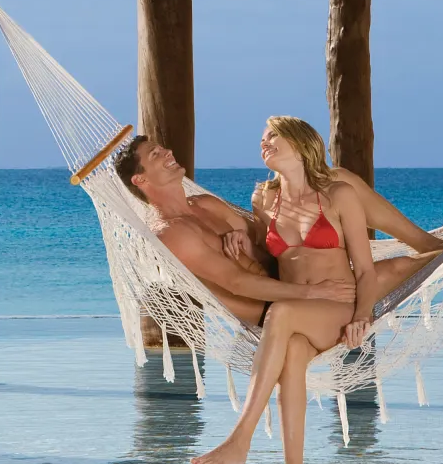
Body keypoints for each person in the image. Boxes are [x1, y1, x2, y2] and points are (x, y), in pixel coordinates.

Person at [191, 116, 441, 464]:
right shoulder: (263, 198)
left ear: (299, 142)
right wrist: (240, 239)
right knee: (292, 353)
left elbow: (365, 270)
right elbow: (268, 254)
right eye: (261, 139)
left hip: (338, 308)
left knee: (281, 313)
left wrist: (362, 316)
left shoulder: (339, 195)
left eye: (272, 136)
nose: (263, 143)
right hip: (298, 314)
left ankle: (240, 438)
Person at [113, 135, 355, 328]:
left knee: (340, 182)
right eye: (155, 154)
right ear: (140, 180)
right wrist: (314, 292)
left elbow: (269, 245)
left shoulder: (206, 203)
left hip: (294, 280)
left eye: (163, 148)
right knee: (366, 283)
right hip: (273, 309)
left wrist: (249, 244)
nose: (168, 152)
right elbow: (236, 283)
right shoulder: (171, 233)